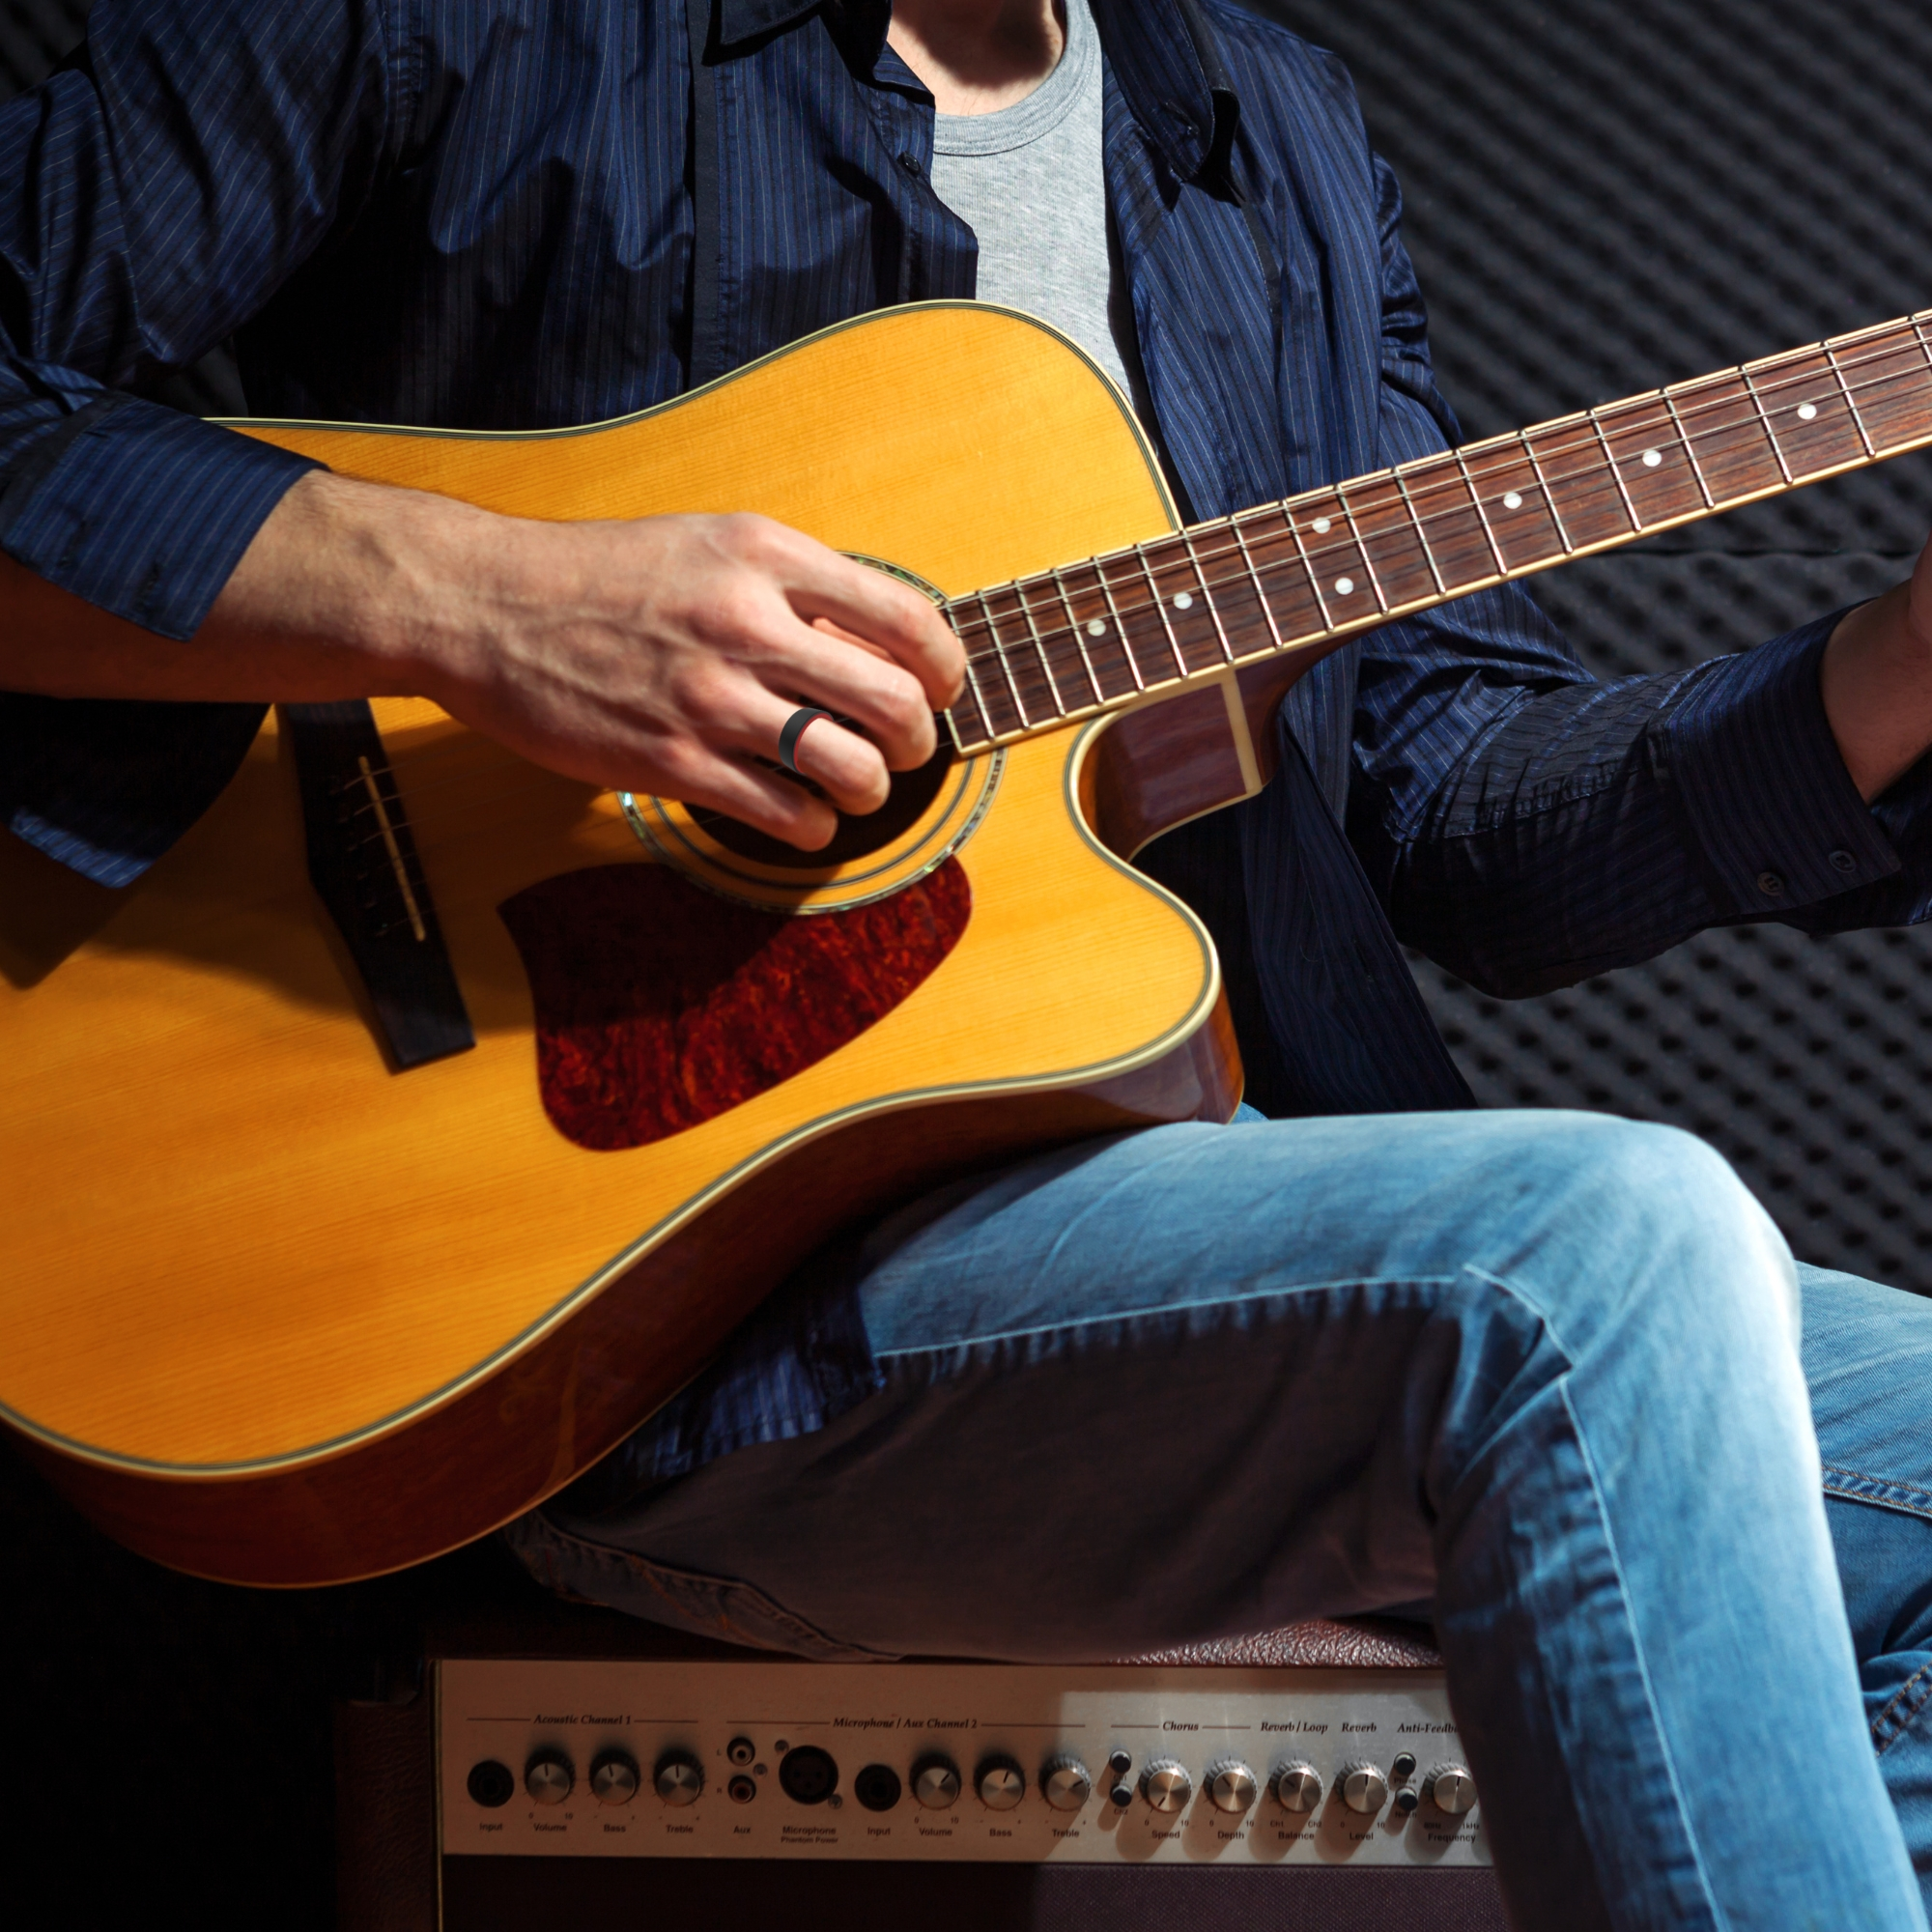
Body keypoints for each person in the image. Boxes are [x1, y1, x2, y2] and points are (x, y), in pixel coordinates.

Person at [5, 0, 1932, 1921]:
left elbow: (1452, 812)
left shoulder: (1270, 130)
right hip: (637, 1313)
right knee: (1608, 1242)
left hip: (1215, 1267)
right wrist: (478, 602)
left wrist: (1893, 670)